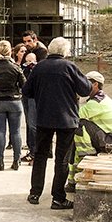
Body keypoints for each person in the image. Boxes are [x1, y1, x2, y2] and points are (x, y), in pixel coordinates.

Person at [22, 37, 92, 210]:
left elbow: (27, 91)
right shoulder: (69, 67)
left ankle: (35, 192)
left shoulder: (39, 67)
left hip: (44, 117)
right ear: (65, 52)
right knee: (62, 159)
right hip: (66, 119)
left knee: (40, 155)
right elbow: (86, 89)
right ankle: (58, 197)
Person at [67, 71, 112, 191]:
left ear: (95, 85)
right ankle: (72, 179)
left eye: (86, 83)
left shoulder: (97, 103)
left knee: (80, 126)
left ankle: (86, 157)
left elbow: (74, 117)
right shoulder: (100, 98)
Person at [0, 40, 25, 171]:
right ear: (11, 51)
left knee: (0, 132)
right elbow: (24, 84)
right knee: (16, 132)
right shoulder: (16, 67)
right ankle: (16, 160)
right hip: (14, 101)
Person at [20, 52, 38, 163]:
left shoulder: (37, 69)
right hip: (26, 97)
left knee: (32, 125)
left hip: (34, 98)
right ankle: (31, 149)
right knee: (29, 123)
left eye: (31, 61)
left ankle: (34, 152)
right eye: (27, 61)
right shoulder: (23, 69)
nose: (29, 63)